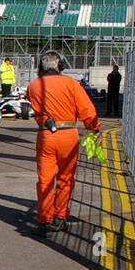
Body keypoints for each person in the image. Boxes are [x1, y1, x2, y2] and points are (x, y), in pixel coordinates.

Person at [25, 51, 101, 238]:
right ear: (60, 67)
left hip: (46, 135)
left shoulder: (33, 86)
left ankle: (44, 219)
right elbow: (86, 110)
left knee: (45, 179)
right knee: (66, 178)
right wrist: (94, 128)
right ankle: (60, 216)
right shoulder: (71, 84)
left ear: (41, 68)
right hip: (68, 134)